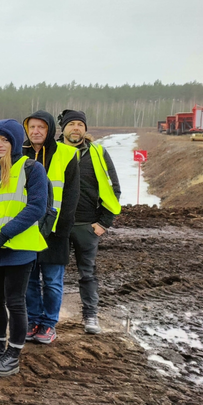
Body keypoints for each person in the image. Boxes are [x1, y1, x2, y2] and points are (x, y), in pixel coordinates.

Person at [0, 119, 49, 377]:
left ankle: (13, 354)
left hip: (18, 248)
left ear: (14, 141)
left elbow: (36, 207)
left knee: (15, 302)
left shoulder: (32, 169)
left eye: (4, 140)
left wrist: (4, 235)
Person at [60, 109, 121, 334]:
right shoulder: (53, 152)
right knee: (52, 273)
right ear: (63, 128)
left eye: (80, 124)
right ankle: (49, 318)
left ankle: (90, 315)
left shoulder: (98, 152)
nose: (76, 128)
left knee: (88, 273)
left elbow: (113, 188)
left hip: (87, 226)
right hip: (58, 226)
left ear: (85, 129)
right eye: (71, 124)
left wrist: (103, 222)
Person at [23, 110, 80, 345]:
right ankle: (33, 320)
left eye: (41, 128)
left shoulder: (67, 154)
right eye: (32, 127)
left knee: (53, 281)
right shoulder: (19, 153)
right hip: (25, 229)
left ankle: (48, 324)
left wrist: (63, 230)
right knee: (29, 280)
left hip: (55, 231)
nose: (36, 132)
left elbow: (71, 195)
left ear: (50, 131)